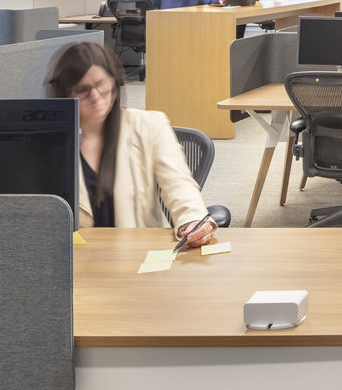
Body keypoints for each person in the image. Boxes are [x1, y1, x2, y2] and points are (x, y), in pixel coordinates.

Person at [45, 39, 217, 243]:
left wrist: (192, 221)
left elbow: (179, 185)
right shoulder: (49, 143)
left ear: (115, 85)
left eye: (101, 85)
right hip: (77, 263)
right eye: (83, 90)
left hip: (138, 258)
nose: (96, 97)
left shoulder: (150, 126)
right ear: (65, 94)